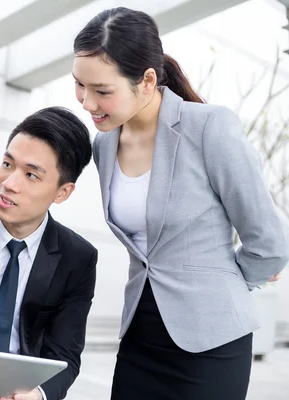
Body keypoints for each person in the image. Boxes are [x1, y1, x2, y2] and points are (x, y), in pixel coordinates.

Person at [72, 7, 289, 399]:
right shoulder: (104, 145)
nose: (87, 102)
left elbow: (268, 239)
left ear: (147, 80)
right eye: (79, 86)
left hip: (211, 341)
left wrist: (226, 281)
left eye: (102, 91)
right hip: (140, 338)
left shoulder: (209, 127)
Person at [0, 107, 98, 400]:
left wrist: (36, 396)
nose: (9, 183)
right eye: (7, 164)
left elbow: (65, 354)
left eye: (31, 175)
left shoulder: (77, 259)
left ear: (63, 192)